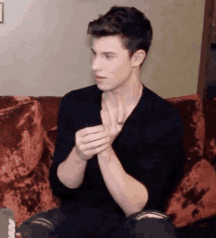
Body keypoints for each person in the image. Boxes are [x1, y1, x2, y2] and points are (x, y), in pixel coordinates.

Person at [17, 5, 186, 238]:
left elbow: (138, 208)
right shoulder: (76, 102)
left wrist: (105, 149)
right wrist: (80, 153)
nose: (95, 65)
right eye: (94, 54)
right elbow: (62, 187)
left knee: (155, 229)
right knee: (31, 231)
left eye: (108, 56)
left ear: (137, 57)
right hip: (74, 219)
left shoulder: (164, 118)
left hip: (132, 226)